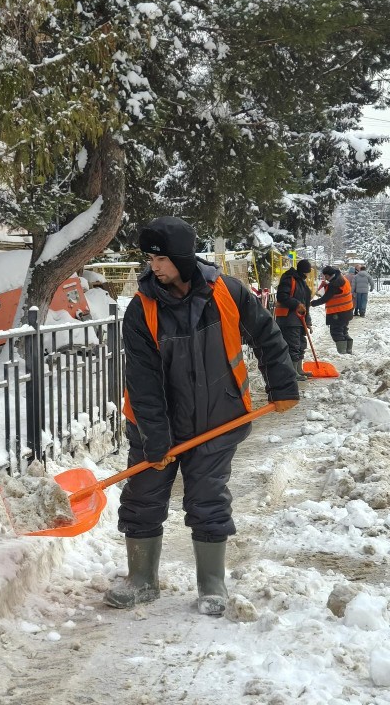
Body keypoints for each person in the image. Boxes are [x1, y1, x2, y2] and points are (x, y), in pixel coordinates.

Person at [109, 216, 300, 617]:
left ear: (180, 255)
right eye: (149, 258)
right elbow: (143, 381)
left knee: (208, 498)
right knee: (143, 497)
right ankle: (142, 580)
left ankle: (212, 584)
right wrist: (156, 438)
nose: (153, 266)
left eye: (160, 257)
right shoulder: (140, 309)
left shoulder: (227, 291)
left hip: (218, 418)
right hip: (153, 424)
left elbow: (266, 335)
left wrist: (282, 384)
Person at [274, 259, 313, 381]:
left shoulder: (301, 282)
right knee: (293, 345)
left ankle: (299, 369)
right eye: (308, 271)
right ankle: (292, 372)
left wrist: (308, 322)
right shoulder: (289, 278)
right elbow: (282, 296)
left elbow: (306, 304)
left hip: (299, 319)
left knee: (301, 344)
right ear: (304, 271)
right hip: (289, 319)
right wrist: (296, 304)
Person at [310, 265, 354, 354]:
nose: (325, 278)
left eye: (326, 276)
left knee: (336, 332)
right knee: (344, 330)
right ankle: (348, 351)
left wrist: (311, 303)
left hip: (338, 312)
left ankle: (342, 353)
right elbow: (338, 292)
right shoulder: (342, 279)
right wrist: (327, 285)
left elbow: (325, 299)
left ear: (330, 275)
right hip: (347, 310)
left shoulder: (334, 285)